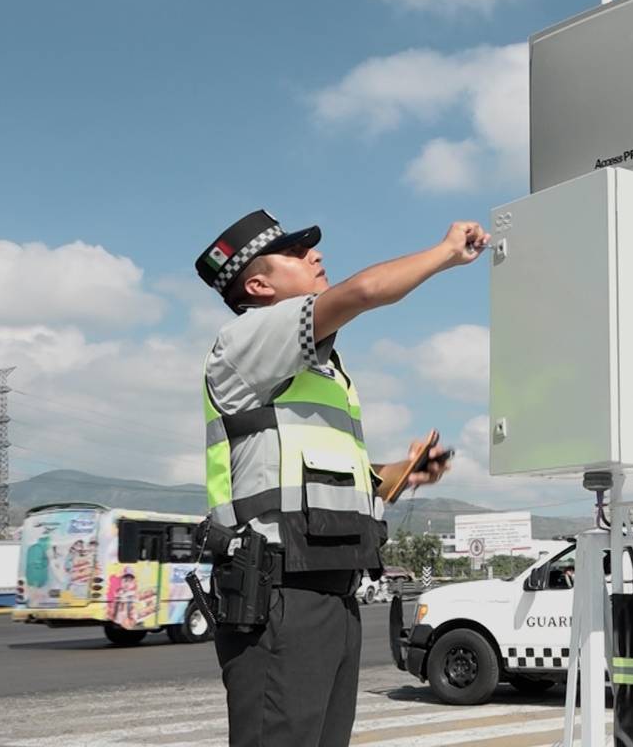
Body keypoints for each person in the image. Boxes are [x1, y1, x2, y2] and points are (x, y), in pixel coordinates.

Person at [195, 209, 488, 747]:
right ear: (257, 286)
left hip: (333, 594)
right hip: (280, 597)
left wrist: (402, 473)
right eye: (294, 252)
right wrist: (446, 252)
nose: (315, 255)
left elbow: (331, 480)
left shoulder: (320, 372)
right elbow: (364, 291)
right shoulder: (245, 340)